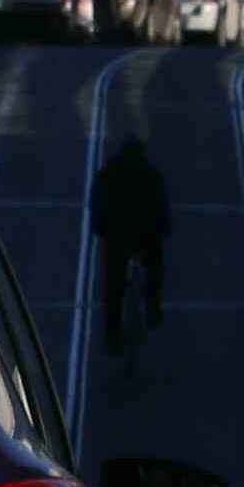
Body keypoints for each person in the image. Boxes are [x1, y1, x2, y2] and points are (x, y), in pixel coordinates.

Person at [90, 130, 171, 364]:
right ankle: (153, 307)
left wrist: (99, 226)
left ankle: (113, 336)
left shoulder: (110, 172)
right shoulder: (150, 174)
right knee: (155, 268)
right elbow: (162, 204)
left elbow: (97, 199)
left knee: (113, 287)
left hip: (117, 235)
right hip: (145, 235)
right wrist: (164, 228)